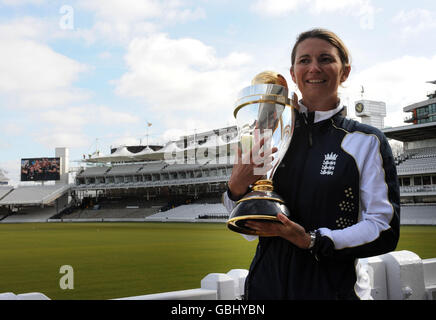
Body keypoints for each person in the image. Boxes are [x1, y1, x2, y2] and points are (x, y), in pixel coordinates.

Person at [222, 28, 400, 300]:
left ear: (345, 72)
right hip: (264, 290)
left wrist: (313, 240)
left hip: (333, 292)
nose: (314, 68)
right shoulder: (270, 132)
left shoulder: (365, 141)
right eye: (304, 60)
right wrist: (235, 189)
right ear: (293, 74)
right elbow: (251, 229)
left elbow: (384, 229)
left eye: (325, 59)